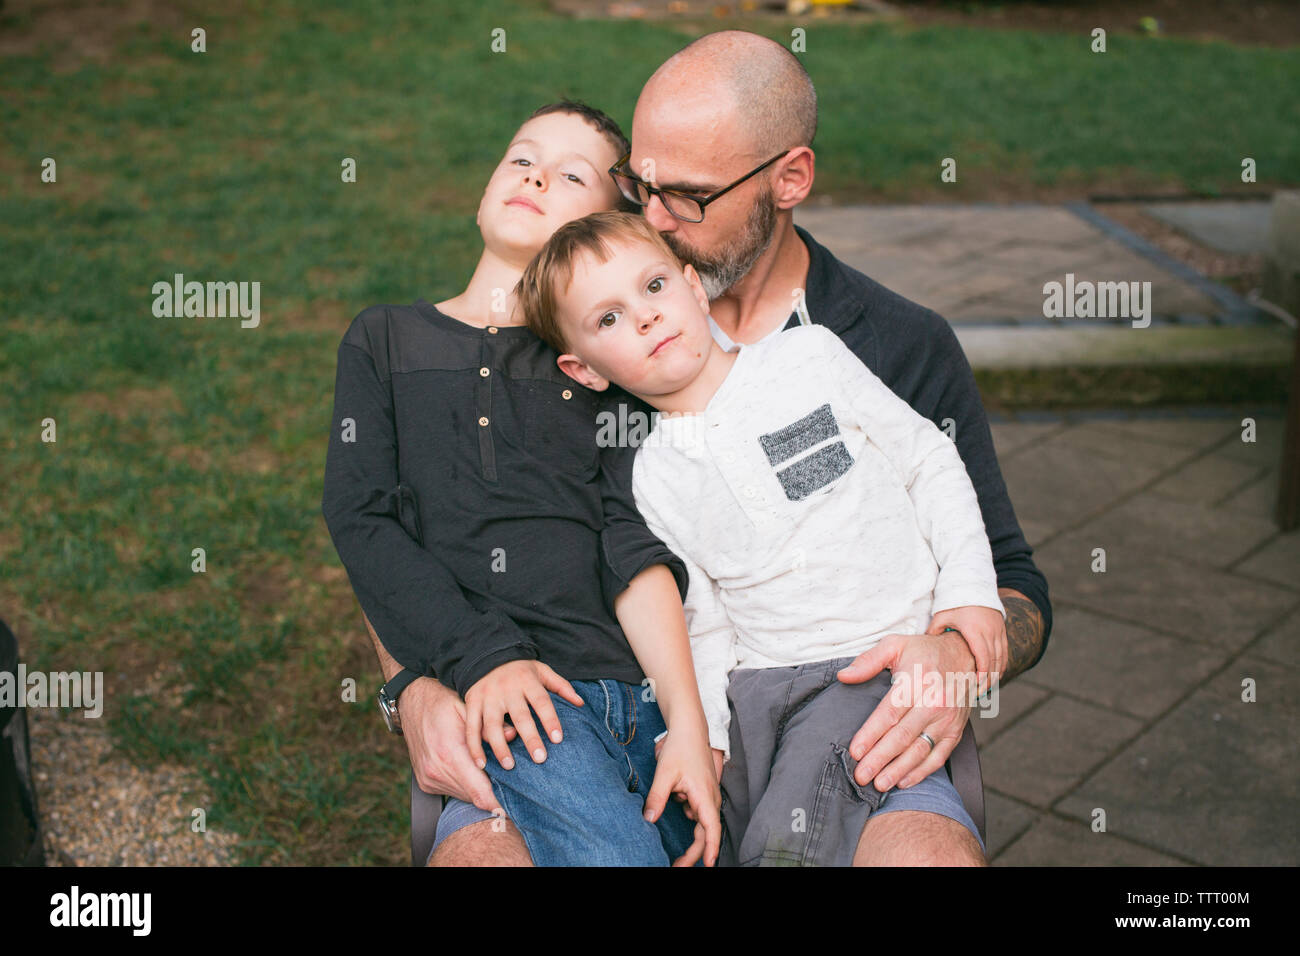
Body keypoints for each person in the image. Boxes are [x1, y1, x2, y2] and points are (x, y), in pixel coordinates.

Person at [384, 30, 1052, 867]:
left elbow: (1011, 578)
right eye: (640, 185)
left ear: (790, 178)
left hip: (857, 707)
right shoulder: (581, 325)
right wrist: (412, 691)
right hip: (571, 727)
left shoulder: (883, 344)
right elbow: (402, 523)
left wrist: (955, 657)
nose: (652, 220)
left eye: (688, 198)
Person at [516, 209, 1005, 865]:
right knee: (729, 829)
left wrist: (970, 594)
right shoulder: (654, 473)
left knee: (783, 845)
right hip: (759, 693)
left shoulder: (810, 356)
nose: (644, 317)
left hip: (870, 664)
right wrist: (710, 733)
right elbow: (706, 617)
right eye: (608, 319)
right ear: (585, 371)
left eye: (654, 287)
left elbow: (930, 462)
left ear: (694, 286)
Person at [321, 101, 720, 866]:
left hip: (637, 705)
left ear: (601, 231)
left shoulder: (606, 359)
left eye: (572, 175)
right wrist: (481, 658)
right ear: (481, 196)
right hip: (522, 703)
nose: (536, 174)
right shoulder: (384, 340)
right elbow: (362, 518)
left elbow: (632, 545)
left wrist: (687, 722)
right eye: (521, 157)